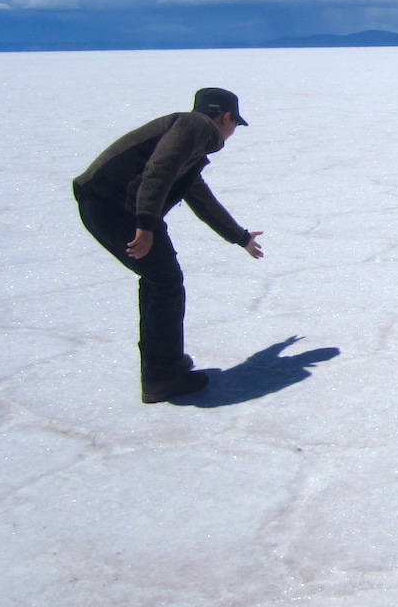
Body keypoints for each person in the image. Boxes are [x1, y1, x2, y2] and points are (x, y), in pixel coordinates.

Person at [73, 88, 264, 403]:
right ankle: (162, 377)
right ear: (226, 117)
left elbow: (197, 195)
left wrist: (240, 237)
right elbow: (158, 169)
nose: (232, 132)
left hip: (105, 203)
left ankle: (164, 365)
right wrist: (145, 223)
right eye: (235, 124)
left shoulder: (189, 137)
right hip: (117, 206)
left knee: (159, 281)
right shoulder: (195, 127)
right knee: (165, 283)